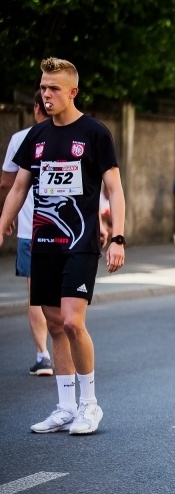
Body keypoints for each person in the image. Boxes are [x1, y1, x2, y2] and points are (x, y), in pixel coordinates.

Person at [0, 57, 126, 435]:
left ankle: (90, 405)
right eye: (42, 87)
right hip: (43, 244)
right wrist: (2, 224)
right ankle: (65, 407)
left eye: (53, 88)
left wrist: (117, 236)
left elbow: (115, 189)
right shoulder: (35, 137)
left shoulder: (94, 133)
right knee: (55, 325)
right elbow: (19, 188)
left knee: (73, 322)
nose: (46, 94)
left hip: (81, 241)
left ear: (72, 92)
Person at [0, 90, 52, 376]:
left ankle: (43, 355)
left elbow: (7, 185)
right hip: (63, 230)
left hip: (29, 230)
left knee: (36, 293)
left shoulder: (20, 139)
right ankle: (65, 346)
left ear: (35, 109)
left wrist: (4, 217)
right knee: (61, 293)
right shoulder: (69, 136)